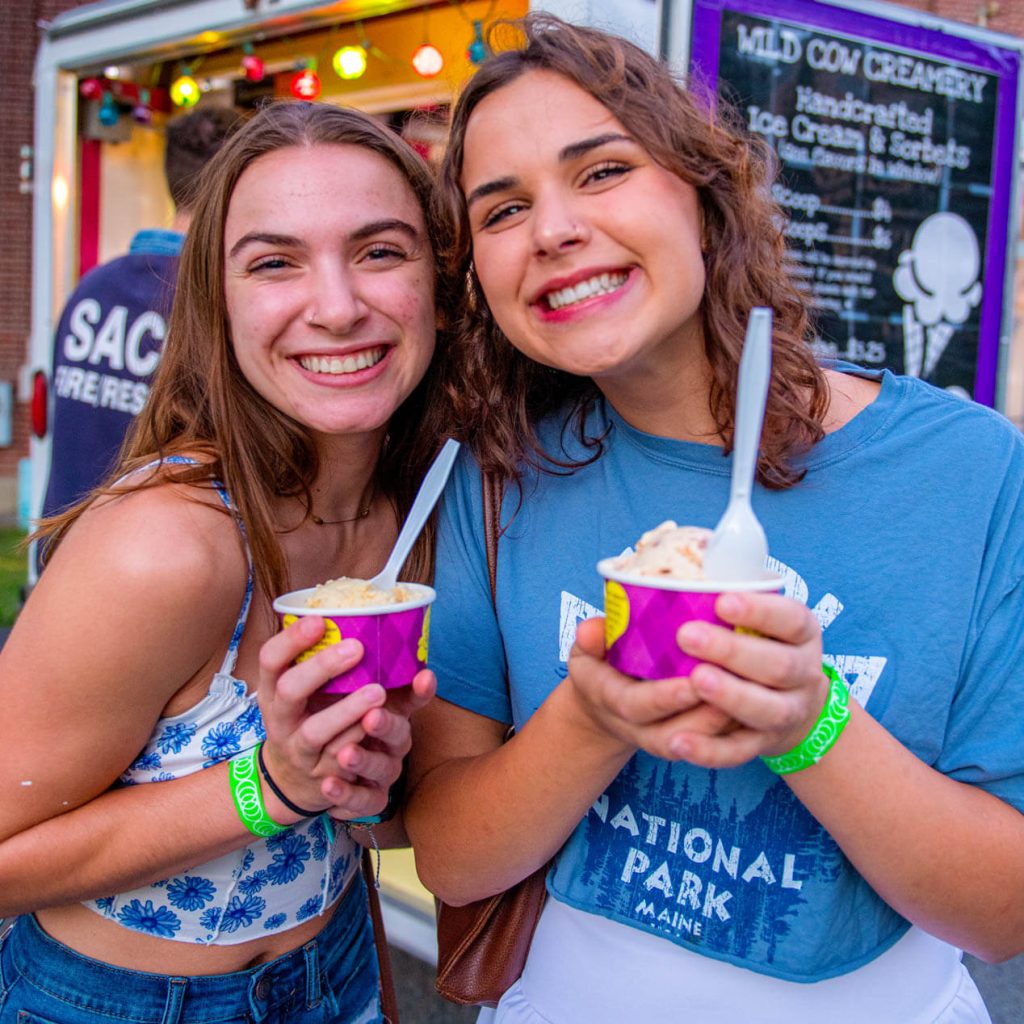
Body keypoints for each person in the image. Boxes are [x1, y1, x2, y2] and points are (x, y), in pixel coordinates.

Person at [405, 16, 1024, 1024]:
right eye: (503, 208)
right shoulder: (498, 477)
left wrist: (807, 720)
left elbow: (1003, 913)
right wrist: (593, 714)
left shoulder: (971, 470)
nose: (553, 229)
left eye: (601, 171)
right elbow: (451, 853)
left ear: (700, 189)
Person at [0, 100, 453, 1023]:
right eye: (275, 262)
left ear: (440, 283)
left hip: (341, 968)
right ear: (220, 302)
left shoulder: (418, 515)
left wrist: (366, 793)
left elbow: (368, 822)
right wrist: (270, 786)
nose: (337, 307)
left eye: (379, 250)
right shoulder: (167, 546)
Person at [40, 105, 239, 522]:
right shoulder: (209, 300)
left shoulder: (93, 286)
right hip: (148, 558)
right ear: (235, 184)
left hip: (64, 540)